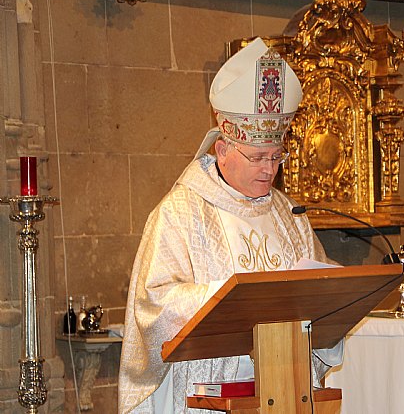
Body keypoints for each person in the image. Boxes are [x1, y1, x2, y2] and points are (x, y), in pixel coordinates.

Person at [118, 38, 342, 413]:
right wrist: (227, 297)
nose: (270, 169)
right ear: (222, 150)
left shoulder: (289, 216)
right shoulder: (180, 212)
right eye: (257, 157)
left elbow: (315, 289)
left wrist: (332, 292)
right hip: (209, 394)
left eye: (276, 156)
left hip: (285, 388)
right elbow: (151, 303)